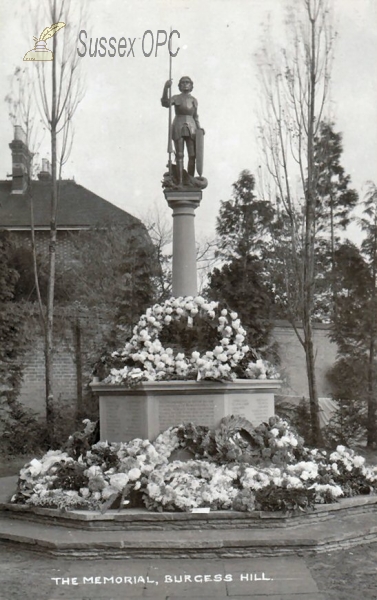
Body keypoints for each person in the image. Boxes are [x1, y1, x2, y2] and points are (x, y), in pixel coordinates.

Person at [161, 76, 204, 185]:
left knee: (192, 155)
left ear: (191, 85)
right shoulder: (176, 98)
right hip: (178, 125)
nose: (185, 84)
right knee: (179, 155)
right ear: (179, 85)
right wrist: (166, 88)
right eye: (183, 82)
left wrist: (199, 129)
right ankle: (180, 181)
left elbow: (196, 116)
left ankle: (189, 180)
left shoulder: (194, 100)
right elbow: (165, 103)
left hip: (192, 127)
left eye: (187, 82)